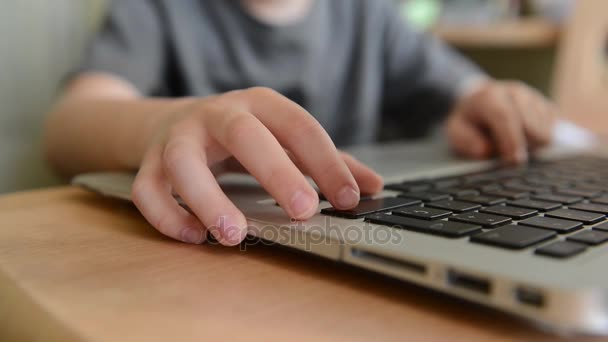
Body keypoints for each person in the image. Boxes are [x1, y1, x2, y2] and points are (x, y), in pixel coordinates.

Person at [44, 0, 557, 247]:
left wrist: (485, 100)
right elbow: (67, 129)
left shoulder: (368, 14)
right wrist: (170, 122)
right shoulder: (160, 9)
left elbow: (464, 90)